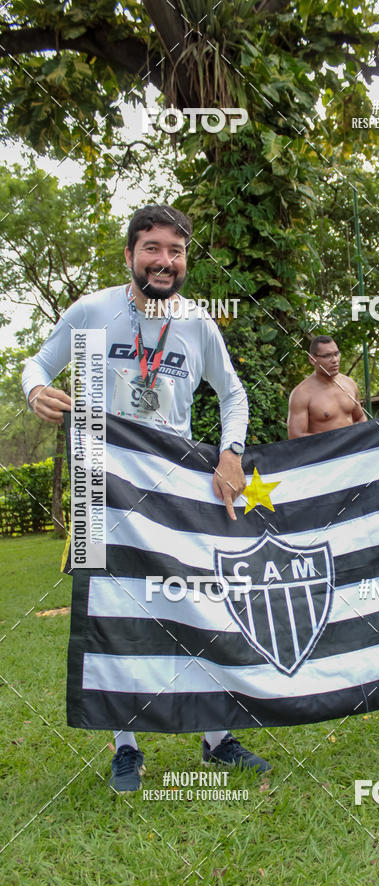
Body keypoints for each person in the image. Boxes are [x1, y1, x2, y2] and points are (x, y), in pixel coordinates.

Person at [22, 204, 271, 790]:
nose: (165, 261)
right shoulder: (92, 311)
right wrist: (36, 388)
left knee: (202, 604)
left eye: (176, 251)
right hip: (102, 487)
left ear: (186, 261)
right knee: (116, 611)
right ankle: (126, 745)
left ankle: (216, 737)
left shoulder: (199, 323)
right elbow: (38, 362)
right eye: (153, 248)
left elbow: (233, 395)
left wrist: (230, 451)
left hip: (178, 485)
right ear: (131, 254)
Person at [287, 336, 367, 438]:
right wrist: (334, 442)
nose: (334, 360)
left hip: (353, 450)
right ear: (312, 360)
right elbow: (295, 436)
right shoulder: (301, 394)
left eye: (336, 354)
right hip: (326, 452)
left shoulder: (349, 383)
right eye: (327, 356)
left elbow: (360, 417)